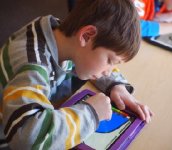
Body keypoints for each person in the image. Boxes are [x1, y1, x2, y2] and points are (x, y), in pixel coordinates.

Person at [0, 0, 153, 149]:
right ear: (86, 36)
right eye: (110, 60)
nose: (108, 70)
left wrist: (116, 86)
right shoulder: (32, 66)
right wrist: (91, 114)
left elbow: (86, 58)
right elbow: (27, 139)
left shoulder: (65, 38)